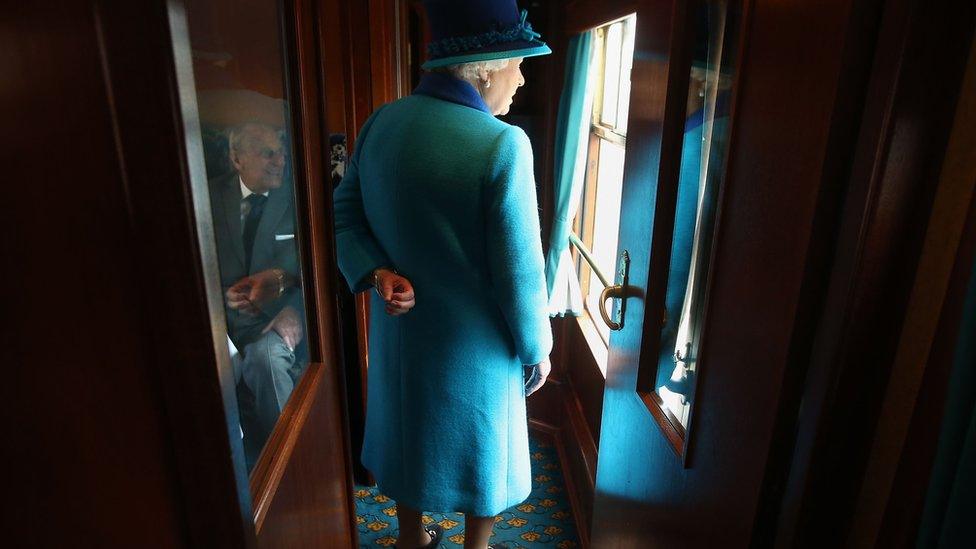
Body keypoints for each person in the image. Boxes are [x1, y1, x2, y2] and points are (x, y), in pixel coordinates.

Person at [333, 1, 553, 547]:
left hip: (400, 336)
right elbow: (520, 273)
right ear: (484, 66)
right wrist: (537, 348)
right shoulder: (503, 144)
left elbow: (343, 214)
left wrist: (376, 271)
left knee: (410, 437)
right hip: (475, 348)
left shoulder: (383, 121)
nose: (521, 77)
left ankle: (411, 539)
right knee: (485, 456)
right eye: (516, 62)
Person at [209, 121, 306, 469]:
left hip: (276, 320)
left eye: (281, 151)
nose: (280, 160)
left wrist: (295, 309)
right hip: (218, 323)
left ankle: (294, 469)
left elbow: (317, 267)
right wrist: (219, 298)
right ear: (237, 159)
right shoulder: (207, 197)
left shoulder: (299, 197)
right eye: (268, 153)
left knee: (266, 361)